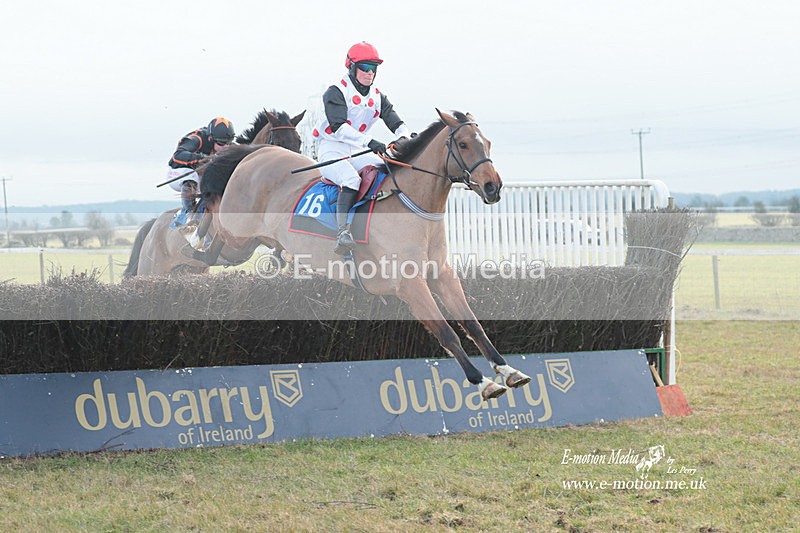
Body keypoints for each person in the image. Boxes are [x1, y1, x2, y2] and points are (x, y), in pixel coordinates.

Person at [314, 41, 412, 254]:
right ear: (351, 67)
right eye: (365, 67)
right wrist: (370, 142)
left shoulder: (377, 96)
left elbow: (395, 121)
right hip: (331, 148)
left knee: (387, 167)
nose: (370, 73)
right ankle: (342, 232)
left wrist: (405, 137)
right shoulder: (335, 92)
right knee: (351, 179)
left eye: (374, 68)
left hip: (356, 150)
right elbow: (338, 128)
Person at [166, 117, 235, 227]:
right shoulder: (196, 139)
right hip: (178, 172)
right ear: (210, 138)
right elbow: (178, 155)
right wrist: (202, 158)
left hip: (201, 175)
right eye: (222, 143)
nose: (226, 147)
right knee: (192, 177)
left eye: (229, 143)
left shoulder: (227, 144)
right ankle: (190, 215)